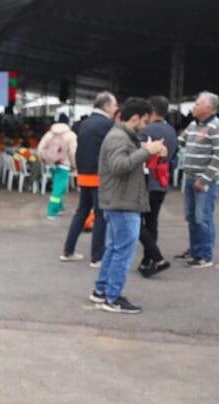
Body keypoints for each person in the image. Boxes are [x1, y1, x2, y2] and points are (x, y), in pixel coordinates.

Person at [89, 98, 167, 314]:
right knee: (122, 252)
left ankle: (101, 291)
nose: (145, 127)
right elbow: (119, 165)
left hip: (119, 201)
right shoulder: (118, 138)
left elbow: (126, 156)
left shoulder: (121, 136)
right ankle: (112, 298)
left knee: (114, 249)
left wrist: (147, 149)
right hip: (122, 203)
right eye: (144, 122)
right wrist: (146, 151)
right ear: (134, 118)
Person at [61, 91, 118, 265]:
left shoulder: (83, 124)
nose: (116, 108)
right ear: (107, 106)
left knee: (81, 212)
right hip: (99, 175)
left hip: (83, 174)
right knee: (100, 215)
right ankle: (97, 257)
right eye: (115, 105)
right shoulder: (108, 125)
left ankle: (68, 250)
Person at [174, 91, 219, 268]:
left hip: (205, 182)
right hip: (190, 178)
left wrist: (204, 179)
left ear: (208, 108)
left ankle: (205, 255)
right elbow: (180, 142)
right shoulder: (194, 125)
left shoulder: (217, 127)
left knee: (203, 217)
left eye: (198, 104)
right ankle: (194, 250)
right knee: (191, 216)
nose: (194, 106)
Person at [137, 96, 178, 277]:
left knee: (135, 222)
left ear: (151, 111)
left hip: (145, 181)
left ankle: (156, 256)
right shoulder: (171, 131)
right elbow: (174, 156)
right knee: (152, 221)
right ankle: (148, 260)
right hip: (161, 180)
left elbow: (138, 153)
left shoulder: (146, 130)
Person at [38, 115, 77, 219]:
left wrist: (44, 160)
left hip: (52, 164)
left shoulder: (49, 134)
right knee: (58, 189)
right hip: (64, 165)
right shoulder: (71, 135)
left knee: (57, 186)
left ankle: (59, 208)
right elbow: (73, 152)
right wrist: (74, 165)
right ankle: (51, 211)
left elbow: (40, 148)